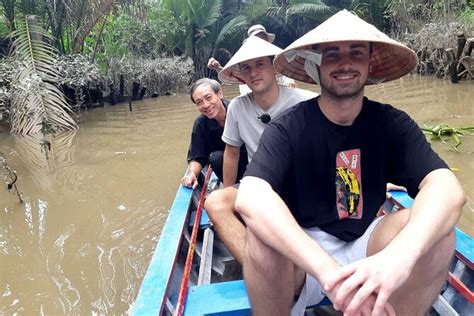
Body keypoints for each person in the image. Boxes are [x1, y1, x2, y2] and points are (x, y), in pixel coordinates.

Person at [234, 10, 466, 316]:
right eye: (332, 54)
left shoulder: (390, 123)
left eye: (356, 53)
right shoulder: (288, 128)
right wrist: (328, 271)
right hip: (305, 250)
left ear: (370, 63)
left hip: (366, 240)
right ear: (318, 65)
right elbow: (250, 195)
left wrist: (399, 258)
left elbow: (448, 189)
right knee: (261, 240)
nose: (345, 63)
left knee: (439, 237)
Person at [203, 35, 317, 264]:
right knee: (214, 202)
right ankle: (259, 267)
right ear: (241, 76)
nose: (254, 72)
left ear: (274, 66)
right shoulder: (236, 107)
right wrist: (229, 193)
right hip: (260, 186)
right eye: (247, 68)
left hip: (302, 184)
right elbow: (232, 153)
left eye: (260, 64)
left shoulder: (306, 102)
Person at [181, 78, 247, 189]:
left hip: (253, 160)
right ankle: (233, 188)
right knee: (215, 158)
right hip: (230, 171)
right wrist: (191, 173)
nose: (206, 105)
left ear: (220, 94)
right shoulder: (201, 124)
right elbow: (197, 157)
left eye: (208, 98)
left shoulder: (240, 110)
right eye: (199, 102)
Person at [207, 24, 297, 94]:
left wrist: (290, 81)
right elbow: (235, 76)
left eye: (262, 39)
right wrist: (217, 68)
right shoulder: (246, 64)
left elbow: (284, 75)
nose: (260, 42)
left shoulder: (275, 59)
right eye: (257, 39)